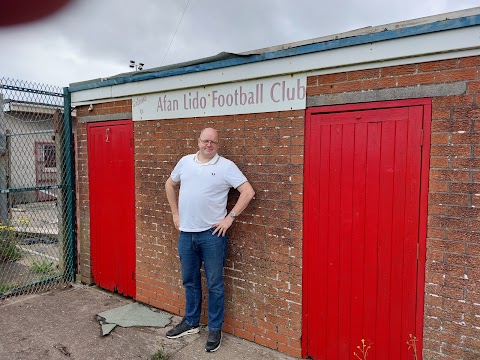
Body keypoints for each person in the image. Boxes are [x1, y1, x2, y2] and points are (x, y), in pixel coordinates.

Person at [164, 127, 255, 352]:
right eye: (205, 141)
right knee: (190, 280)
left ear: (218, 144)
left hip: (212, 235)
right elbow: (169, 184)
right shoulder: (185, 162)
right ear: (198, 141)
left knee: (215, 284)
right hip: (186, 233)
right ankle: (191, 322)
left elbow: (248, 191)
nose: (209, 145)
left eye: (213, 142)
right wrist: (175, 213)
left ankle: (215, 328)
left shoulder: (226, 166)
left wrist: (229, 218)